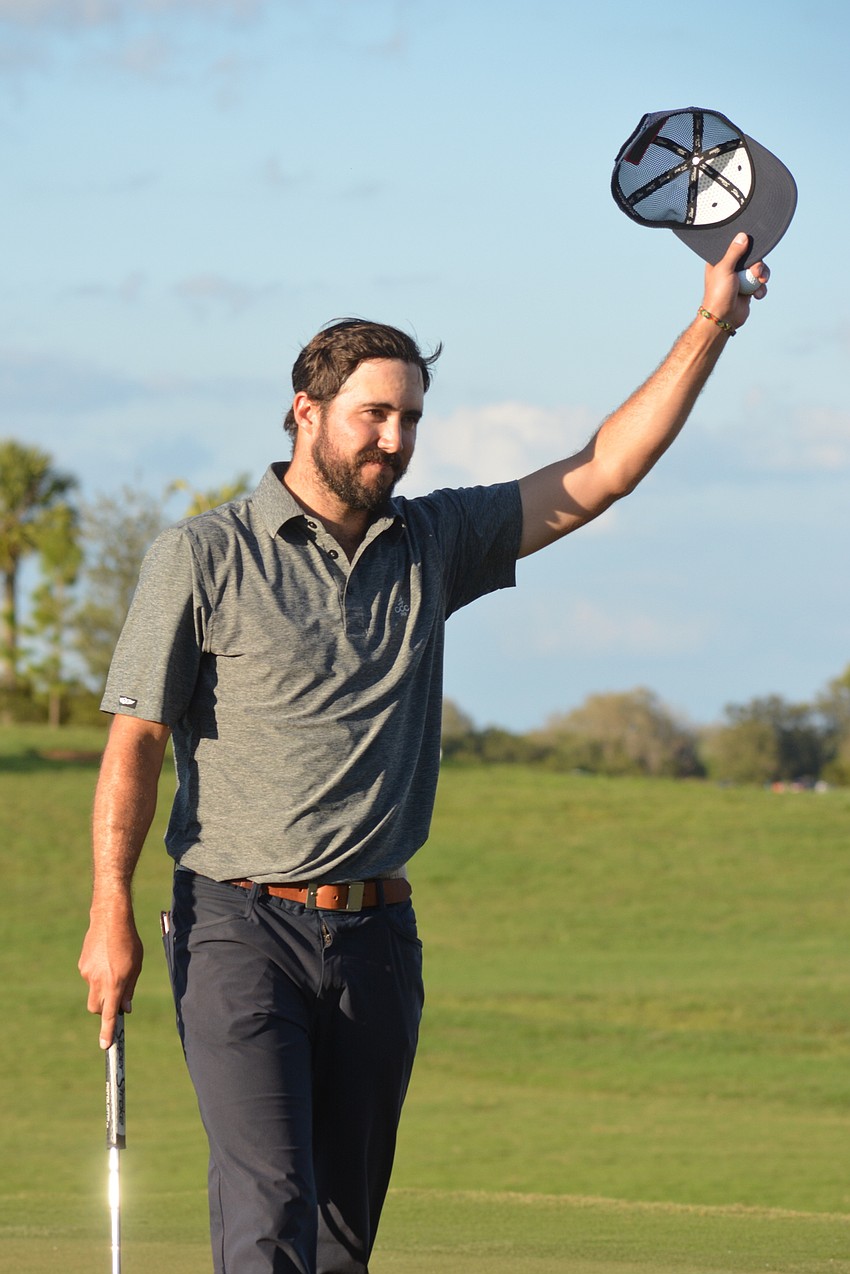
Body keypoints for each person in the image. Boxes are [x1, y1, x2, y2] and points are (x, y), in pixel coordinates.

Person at [79, 233, 768, 1273]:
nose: (395, 440)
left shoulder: (434, 541)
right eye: (374, 413)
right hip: (236, 925)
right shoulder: (203, 553)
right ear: (305, 411)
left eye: (408, 419)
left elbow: (603, 470)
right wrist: (108, 912)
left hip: (375, 938)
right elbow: (133, 741)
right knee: (269, 1214)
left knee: (343, 1239)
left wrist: (712, 320)